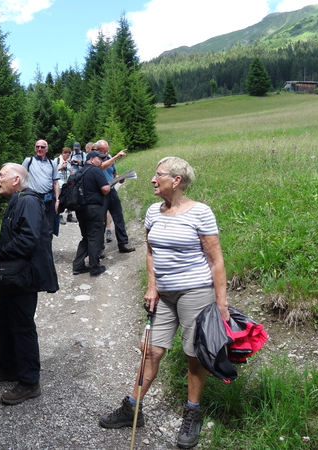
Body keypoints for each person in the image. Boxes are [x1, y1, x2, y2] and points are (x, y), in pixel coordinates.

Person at [99, 157, 229, 449]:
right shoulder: (152, 212)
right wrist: (152, 286)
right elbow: (150, 252)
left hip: (195, 291)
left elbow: (216, 259)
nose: (152, 180)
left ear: (177, 180)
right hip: (164, 294)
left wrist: (221, 303)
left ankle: (192, 412)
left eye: (158, 175)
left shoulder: (201, 213)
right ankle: (133, 408)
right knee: (151, 350)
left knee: (193, 353)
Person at [0, 163, 59, 405]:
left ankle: (29, 382)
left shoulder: (27, 201)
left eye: (1, 174)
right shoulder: (18, 200)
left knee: (21, 325)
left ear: (16, 180)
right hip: (14, 278)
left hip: (24, 277)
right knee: (2, 318)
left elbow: (29, 238)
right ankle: (9, 367)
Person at [72, 151, 111, 277]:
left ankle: (78, 266)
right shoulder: (95, 171)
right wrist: (109, 187)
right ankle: (94, 267)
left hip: (80, 209)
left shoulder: (79, 172)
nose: (101, 161)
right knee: (94, 237)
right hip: (93, 209)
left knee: (86, 237)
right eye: (99, 159)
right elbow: (105, 189)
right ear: (92, 159)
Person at [96, 140, 135, 254]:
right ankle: (99, 248)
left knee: (119, 217)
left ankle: (123, 243)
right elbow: (102, 167)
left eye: (107, 150)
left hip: (112, 191)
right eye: (103, 151)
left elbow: (114, 173)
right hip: (100, 193)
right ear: (97, 150)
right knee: (101, 220)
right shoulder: (95, 159)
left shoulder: (109, 157)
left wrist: (120, 178)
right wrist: (116, 157)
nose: (105, 153)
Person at [22, 140, 60, 236]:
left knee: (49, 227)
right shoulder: (28, 161)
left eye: (42, 147)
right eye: (37, 146)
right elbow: (21, 178)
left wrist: (58, 200)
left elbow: (56, 183)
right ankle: (35, 249)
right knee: (33, 226)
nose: (39, 149)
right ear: (35, 148)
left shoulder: (52, 163)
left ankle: (46, 249)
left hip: (48, 199)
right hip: (33, 198)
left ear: (46, 149)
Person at [54, 147, 74, 225]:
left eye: (69, 155)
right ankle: (60, 215)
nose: (67, 157)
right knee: (60, 198)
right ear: (63, 153)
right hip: (59, 182)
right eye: (66, 155)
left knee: (70, 198)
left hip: (67, 182)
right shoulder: (57, 160)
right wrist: (62, 167)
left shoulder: (68, 161)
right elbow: (53, 171)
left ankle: (70, 215)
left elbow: (71, 170)